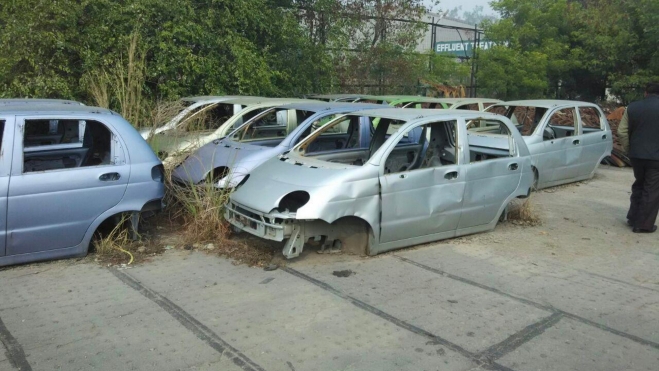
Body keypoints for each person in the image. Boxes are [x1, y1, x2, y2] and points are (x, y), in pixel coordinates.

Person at [618, 82, 659, 233]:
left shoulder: (632, 107)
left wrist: (630, 150)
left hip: (636, 156)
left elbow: (622, 132)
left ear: (645, 93)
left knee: (639, 184)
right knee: (652, 190)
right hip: (656, 159)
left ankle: (633, 218)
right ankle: (642, 225)